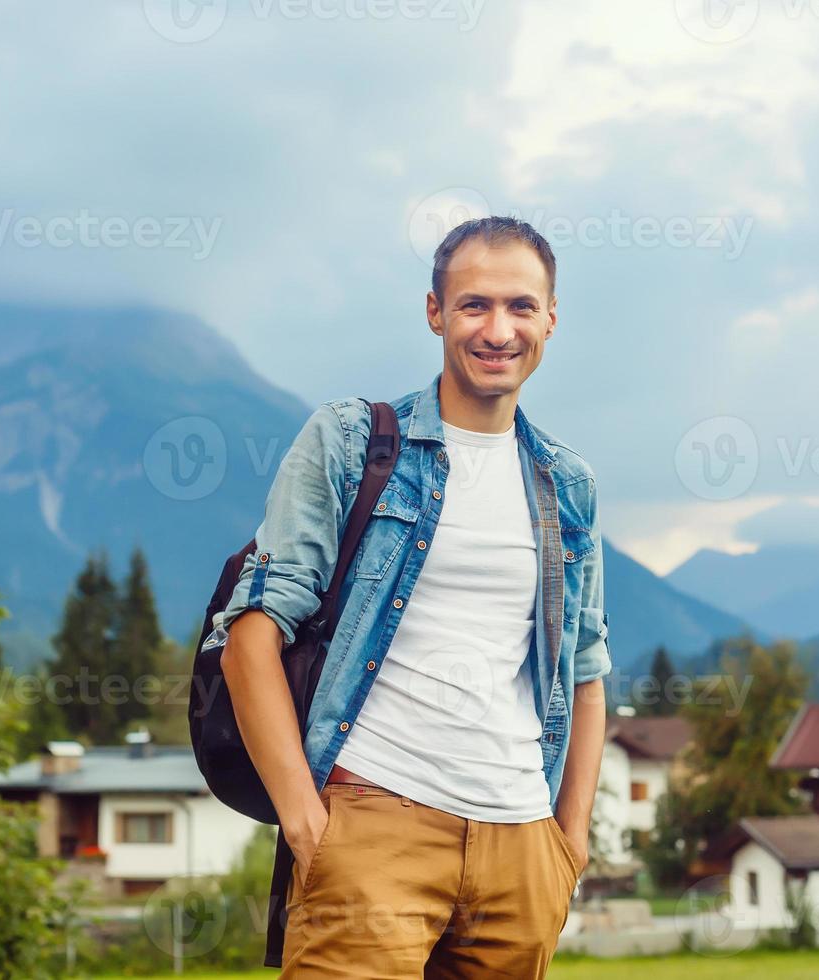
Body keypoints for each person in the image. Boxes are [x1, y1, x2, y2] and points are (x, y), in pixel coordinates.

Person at [218, 215, 612, 977]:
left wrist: (568, 840)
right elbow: (252, 633)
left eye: (521, 307)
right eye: (475, 306)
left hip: (522, 841)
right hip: (374, 822)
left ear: (551, 320)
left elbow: (587, 670)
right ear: (435, 312)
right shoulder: (352, 441)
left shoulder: (568, 484)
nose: (498, 330)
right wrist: (308, 825)